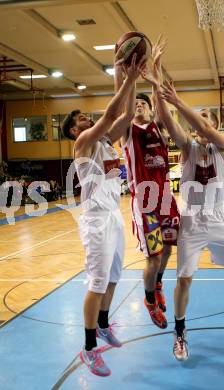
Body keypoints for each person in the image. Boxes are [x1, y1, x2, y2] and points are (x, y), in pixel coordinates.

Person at [141, 48, 224, 360]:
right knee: (184, 279)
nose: (199, 122)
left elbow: (206, 129)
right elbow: (165, 117)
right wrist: (156, 81)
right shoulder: (187, 146)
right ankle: (179, 334)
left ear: (216, 124)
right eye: (199, 118)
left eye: (205, 117)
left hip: (220, 217)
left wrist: (179, 101)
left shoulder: (223, 146)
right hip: (192, 219)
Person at [61, 55, 144, 376]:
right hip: (95, 220)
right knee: (97, 283)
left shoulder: (107, 143)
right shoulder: (83, 142)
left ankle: (104, 325)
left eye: (85, 115)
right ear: (73, 129)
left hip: (114, 216)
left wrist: (130, 78)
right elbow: (111, 113)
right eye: (80, 117)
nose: (85, 117)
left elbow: (123, 114)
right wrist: (124, 76)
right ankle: (88, 347)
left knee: (113, 278)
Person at [116, 38, 180, 329]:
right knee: (152, 258)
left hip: (166, 200)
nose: (139, 105)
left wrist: (156, 66)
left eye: (144, 103)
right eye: (137, 103)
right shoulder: (128, 132)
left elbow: (164, 99)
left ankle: (158, 285)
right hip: (145, 204)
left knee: (167, 250)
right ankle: (149, 301)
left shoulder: (160, 129)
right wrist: (124, 74)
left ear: (151, 110)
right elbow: (122, 106)